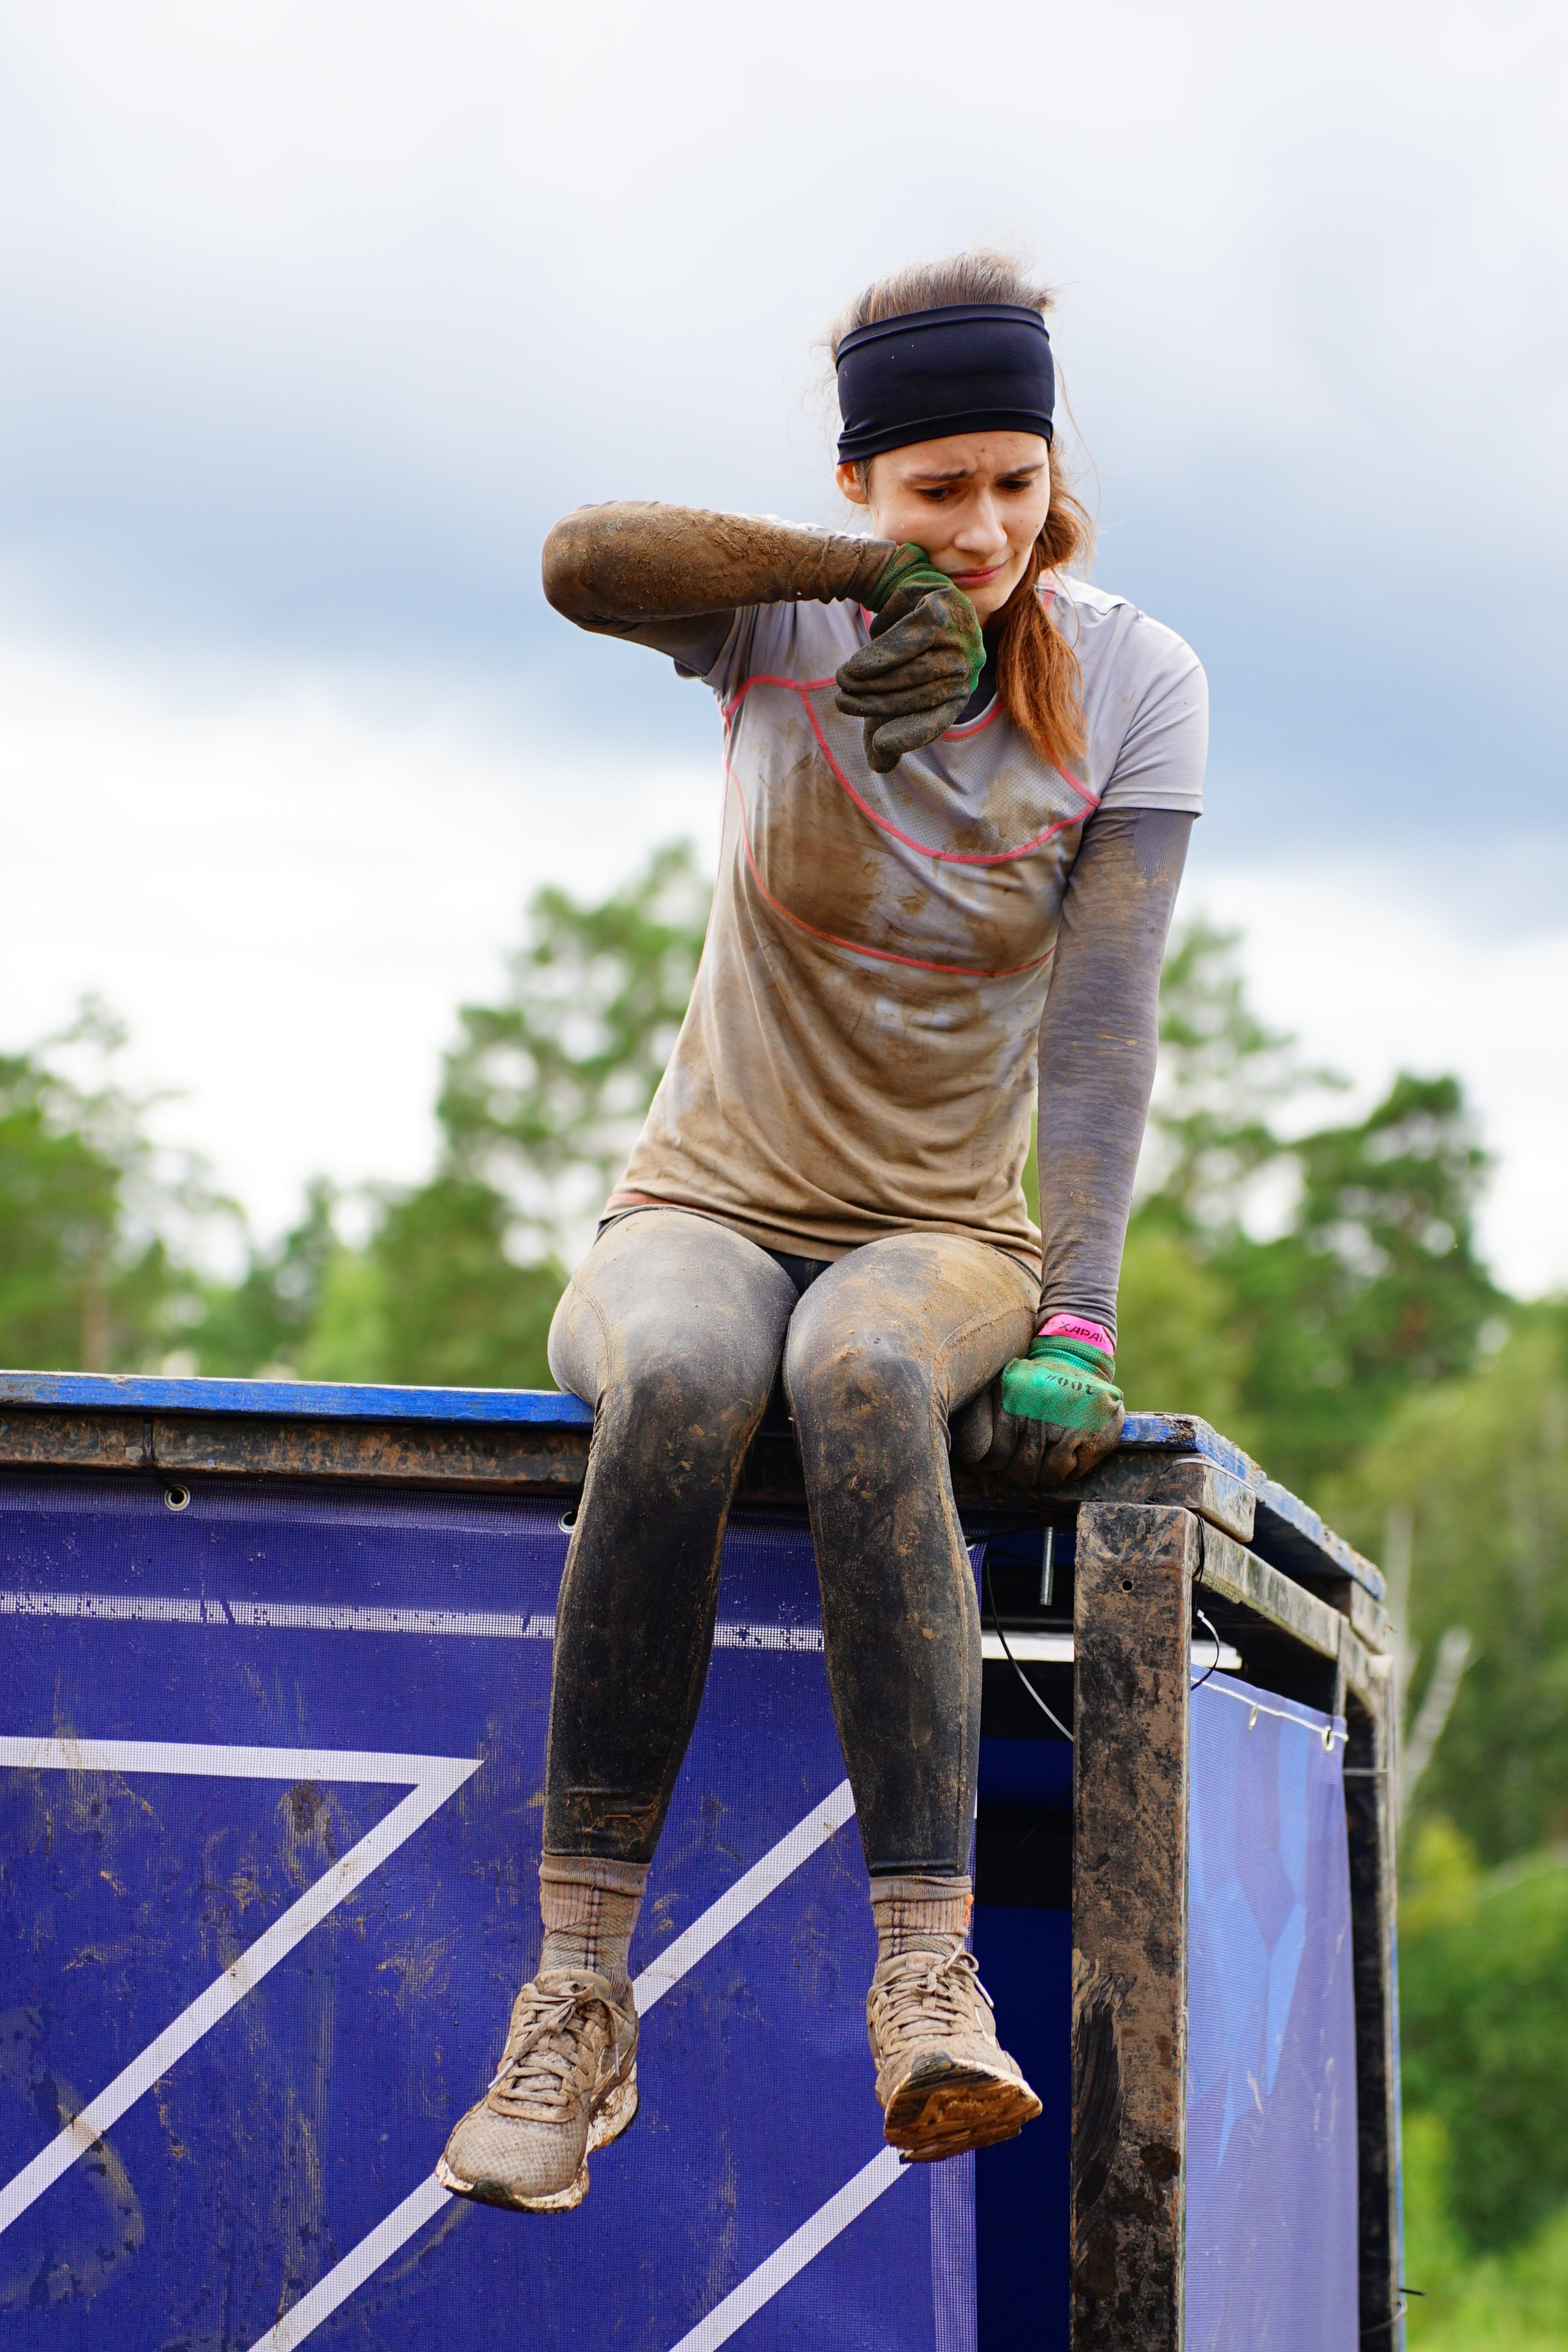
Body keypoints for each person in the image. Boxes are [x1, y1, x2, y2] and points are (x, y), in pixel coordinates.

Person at [436, 251, 1206, 2214]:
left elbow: (1103, 1031)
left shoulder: (1137, 684)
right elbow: (579, 558)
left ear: (1057, 474)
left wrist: (1083, 1323)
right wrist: (872, 583)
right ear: (861, 482)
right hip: (699, 1205)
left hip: (940, 1237)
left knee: (858, 1371)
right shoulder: (778, 616)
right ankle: (574, 1995)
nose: (985, 529)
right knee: (690, 1374)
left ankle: (927, 1980)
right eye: (936, 490)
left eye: (1016, 484)